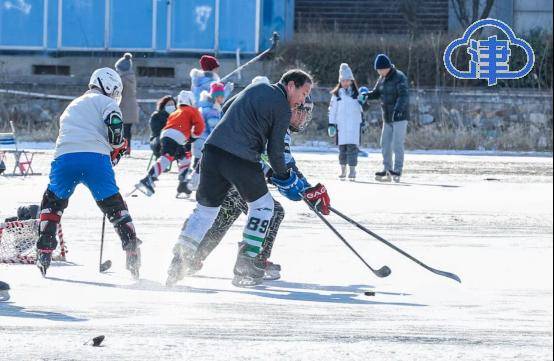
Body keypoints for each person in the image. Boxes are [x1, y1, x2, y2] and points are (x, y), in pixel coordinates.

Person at [166, 69, 330, 288]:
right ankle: (247, 263)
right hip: (240, 158)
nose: (303, 99)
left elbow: (226, 108)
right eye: (304, 92)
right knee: (264, 207)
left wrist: (283, 177)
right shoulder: (282, 106)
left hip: (212, 153)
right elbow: (276, 151)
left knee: (205, 211)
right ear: (291, 85)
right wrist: (286, 179)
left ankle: (178, 262)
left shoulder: (255, 88)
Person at [35, 68, 141, 278]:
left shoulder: (72, 105)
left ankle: (45, 248)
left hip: (64, 158)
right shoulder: (107, 103)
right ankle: (131, 249)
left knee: (53, 201)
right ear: (109, 86)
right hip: (95, 160)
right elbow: (115, 124)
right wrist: (117, 145)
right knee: (114, 205)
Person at [136, 90, 204, 197]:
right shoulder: (192, 110)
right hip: (177, 136)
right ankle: (149, 178)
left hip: (166, 135)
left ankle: (183, 183)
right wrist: (194, 136)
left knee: (184, 156)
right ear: (191, 101)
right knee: (166, 158)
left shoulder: (176, 112)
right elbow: (200, 126)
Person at [359, 54, 409, 182]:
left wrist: (398, 110)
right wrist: (366, 95)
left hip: (399, 117)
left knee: (397, 144)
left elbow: (403, 96)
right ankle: (387, 170)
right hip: (387, 117)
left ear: (387, 67)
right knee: (385, 144)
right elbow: (376, 93)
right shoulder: (381, 78)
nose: (379, 72)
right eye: (378, 70)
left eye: (381, 69)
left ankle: (397, 171)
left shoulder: (399, 77)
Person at [328, 63, 363, 181]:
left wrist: (363, 102)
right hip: (341, 127)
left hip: (354, 127)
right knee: (342, 150)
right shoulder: (337, 95)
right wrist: (331, 124)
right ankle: (343, 170)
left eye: (348, 80)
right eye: (343, 81)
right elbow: (332, 110)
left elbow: (362, 109)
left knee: (353, 149)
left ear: (352, 81)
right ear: (340, 81)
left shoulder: (357, 95)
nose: (346, 83)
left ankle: (352, 171)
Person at [193, 82, 226, 167]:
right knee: (202, 169)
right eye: (221, 96)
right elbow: (214, 129)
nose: (223, 98)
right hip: (205, 144)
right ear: (216, 97)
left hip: (198, 142)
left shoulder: (204, 107)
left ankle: (193, 178)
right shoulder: (213, 110)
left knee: (199, 169)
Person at [115, 53, 139, 156]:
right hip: (132, 107)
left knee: (120, 129)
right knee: (127, 130)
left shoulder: (122, 80)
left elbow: (118, 94)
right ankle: (127, 147)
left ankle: (122, 147)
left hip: (123, 107)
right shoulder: (131, 78)